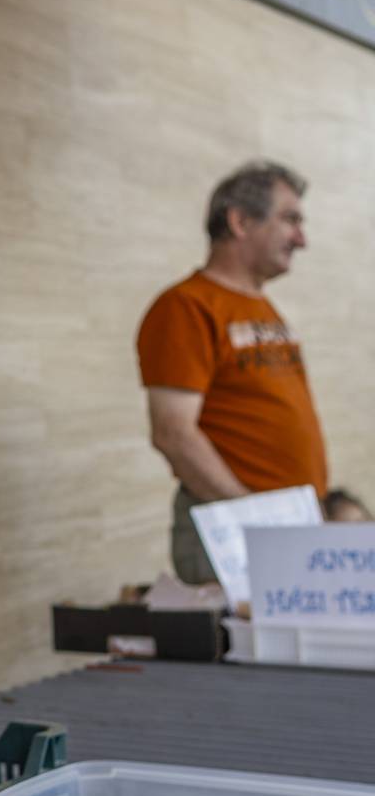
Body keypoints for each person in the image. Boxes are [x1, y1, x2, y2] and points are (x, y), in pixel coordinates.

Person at [137, 161, 328, 584]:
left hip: (287, 525)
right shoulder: (186, 306)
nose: (302, 239)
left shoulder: (260, 306)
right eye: (290, 220)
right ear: (240, 222)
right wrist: (252, 515)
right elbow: (173, 433)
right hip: (236, 532)